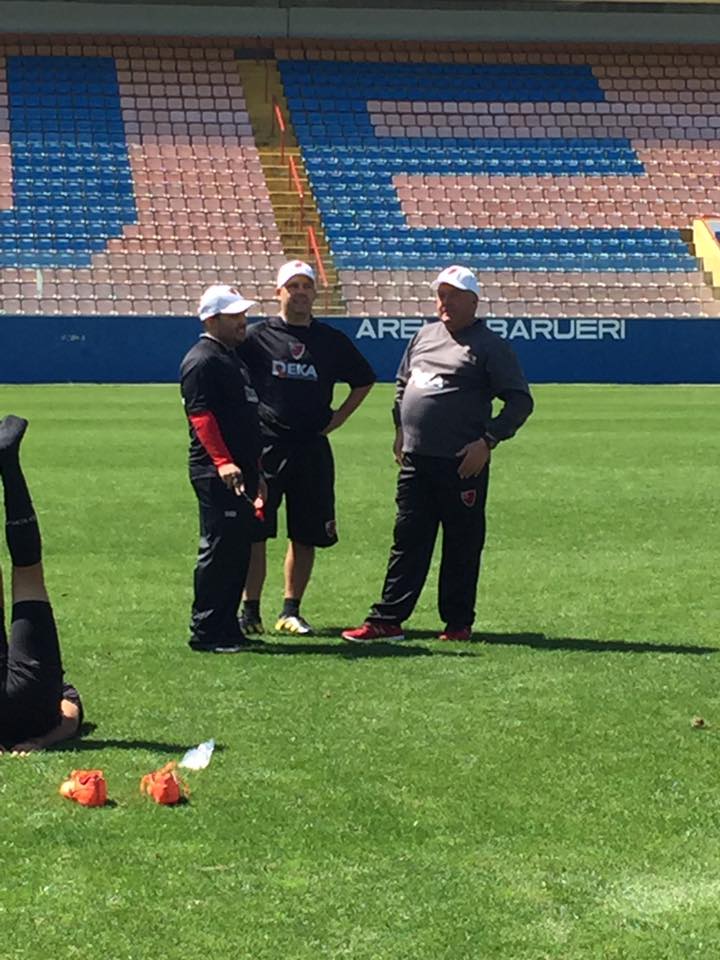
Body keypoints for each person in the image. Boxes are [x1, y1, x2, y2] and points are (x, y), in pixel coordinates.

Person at [342, 265, 534, 644]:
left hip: (462, 462)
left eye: (453, 295)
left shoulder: (490, 346)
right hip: (416, 459)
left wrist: (488, 440)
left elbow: (519, 401)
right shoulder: (423, 336)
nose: (444, 302)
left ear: (473, 301)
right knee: (407, 539)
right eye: (441, 295)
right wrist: (400, 428)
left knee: (461, 545)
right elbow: (403, 384)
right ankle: (388, 619)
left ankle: (458, 623)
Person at [238, 260, 376, 636]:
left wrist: (339, 418)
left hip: (312, 448)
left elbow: (364, 380)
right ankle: (249, 611)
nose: (300, 292)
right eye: (293, 285)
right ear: (278, 291)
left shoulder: (330, 340)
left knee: (306, 532)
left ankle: (290, 609)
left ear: (315, 293)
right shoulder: (255, 338)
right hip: (266, 448)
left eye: (306, 286)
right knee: (255, 531)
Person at [180, 284, 266, 653]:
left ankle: (227, 626)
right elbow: (200, 416)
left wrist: (255, 470)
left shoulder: (230, 357)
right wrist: (222, 460)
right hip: (218, 472)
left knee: (236, 550)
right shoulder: (203, 360)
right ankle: (207, 630)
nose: (242, 321)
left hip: (240, 471)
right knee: (218, 548)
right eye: (234, 316)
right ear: (212, 319)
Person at [0, 415, 83, 755]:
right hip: (28, 713)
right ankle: (8, 463)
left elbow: (71, 716)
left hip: (31, 704)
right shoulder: (61, 692)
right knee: (28, 575)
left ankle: (9, 465)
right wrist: (42, 741)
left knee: (28, 574)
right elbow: (70, 715)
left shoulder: (61, 691)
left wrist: (47, 737)